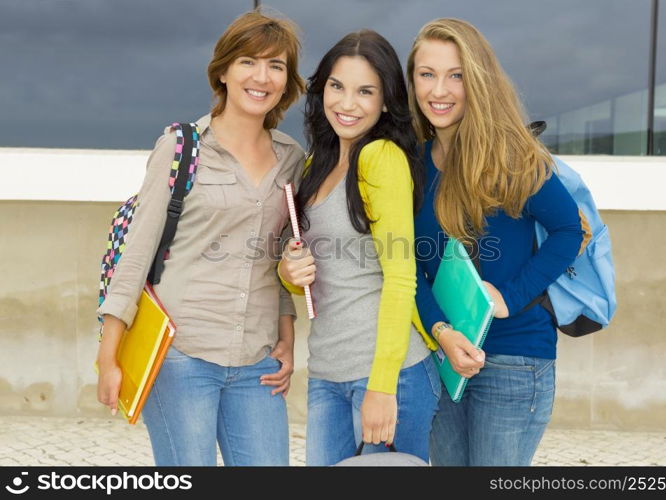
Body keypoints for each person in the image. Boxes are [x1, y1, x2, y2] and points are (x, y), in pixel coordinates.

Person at [95, 10, 306, 466]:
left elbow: (280, 257)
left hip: (257, 363)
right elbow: (134, 259)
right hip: (180, 357)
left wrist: (287, 336)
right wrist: (108, 358)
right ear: (224, 71)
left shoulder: (292, 159)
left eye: (276, 66)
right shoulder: (181, 147)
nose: (262, 77)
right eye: (249, 61)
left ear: (287, 82)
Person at [406, 18, 586, 466]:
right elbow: (412, 266)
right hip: (443, 361)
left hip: (513, 359)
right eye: (427, 74)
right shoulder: (414, 164)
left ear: (478, 80)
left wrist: (511, 295)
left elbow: (569, 231)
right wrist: (441, 333)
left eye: (456, 75)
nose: (439, 90)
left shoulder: (512, 156)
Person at [278, 30, 441, 466]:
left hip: (390, 374)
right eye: (337, 86)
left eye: (365, 91)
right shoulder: (318, 163)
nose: (346, 104)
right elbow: (319, 271)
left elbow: (400, 276)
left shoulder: (381, 157)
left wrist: (383, 385)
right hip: (327, 371)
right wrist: (288, 272)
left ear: (386, 100)